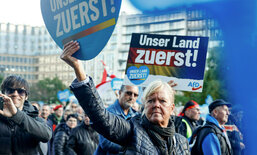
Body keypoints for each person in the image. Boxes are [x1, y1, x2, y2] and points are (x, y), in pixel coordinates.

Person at [61, 41, 190, 154]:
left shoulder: (182, 143)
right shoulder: (132, 130)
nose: (156, 104)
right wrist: (78, 68)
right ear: (145, 105)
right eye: (151, 100)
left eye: (162, 101)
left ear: (172, 107)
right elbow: (100, 115)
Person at [0, 75, 52, 154]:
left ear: (26, 96)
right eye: (10, 90)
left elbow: (46, 135)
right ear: (3, 93)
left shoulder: (35, 118)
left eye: (20, 91)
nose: (15, 94)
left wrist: (16, 114)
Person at [94, 84, 139, 155]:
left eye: (135, 95)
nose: (132, 97)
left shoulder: (136, 116)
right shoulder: (107, 113)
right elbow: (105, 143)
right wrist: (129, 147)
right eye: (129, 93)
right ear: (120, 93)